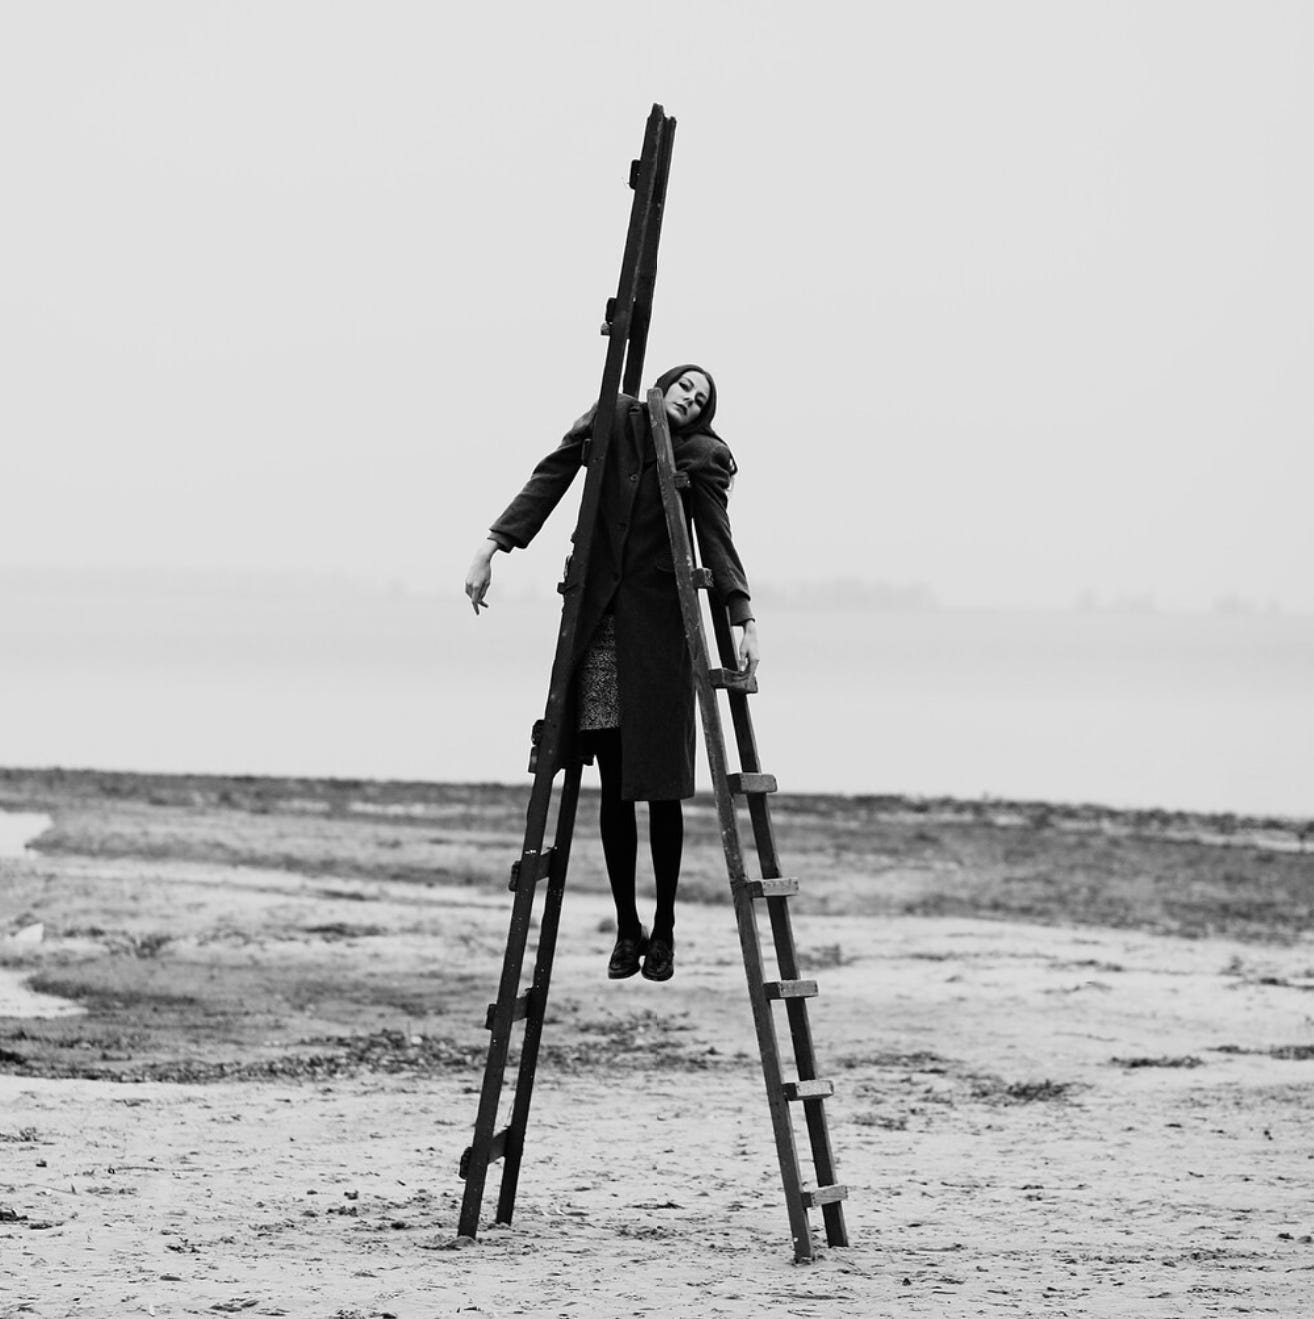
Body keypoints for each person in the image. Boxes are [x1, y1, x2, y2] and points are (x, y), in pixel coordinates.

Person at [464, 364, 759, 983]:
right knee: (616, 783)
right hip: (599, 629)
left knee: (662, 787)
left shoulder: (705, 457)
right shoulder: (613, 417)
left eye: (701, 399)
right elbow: (553, 472)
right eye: (685, 385)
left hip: (661, 641)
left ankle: (667, 929)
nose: (690, 398)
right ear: (665, 383)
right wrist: (494, 544)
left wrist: (740, 614)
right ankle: (628, 926)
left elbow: (717, 538)